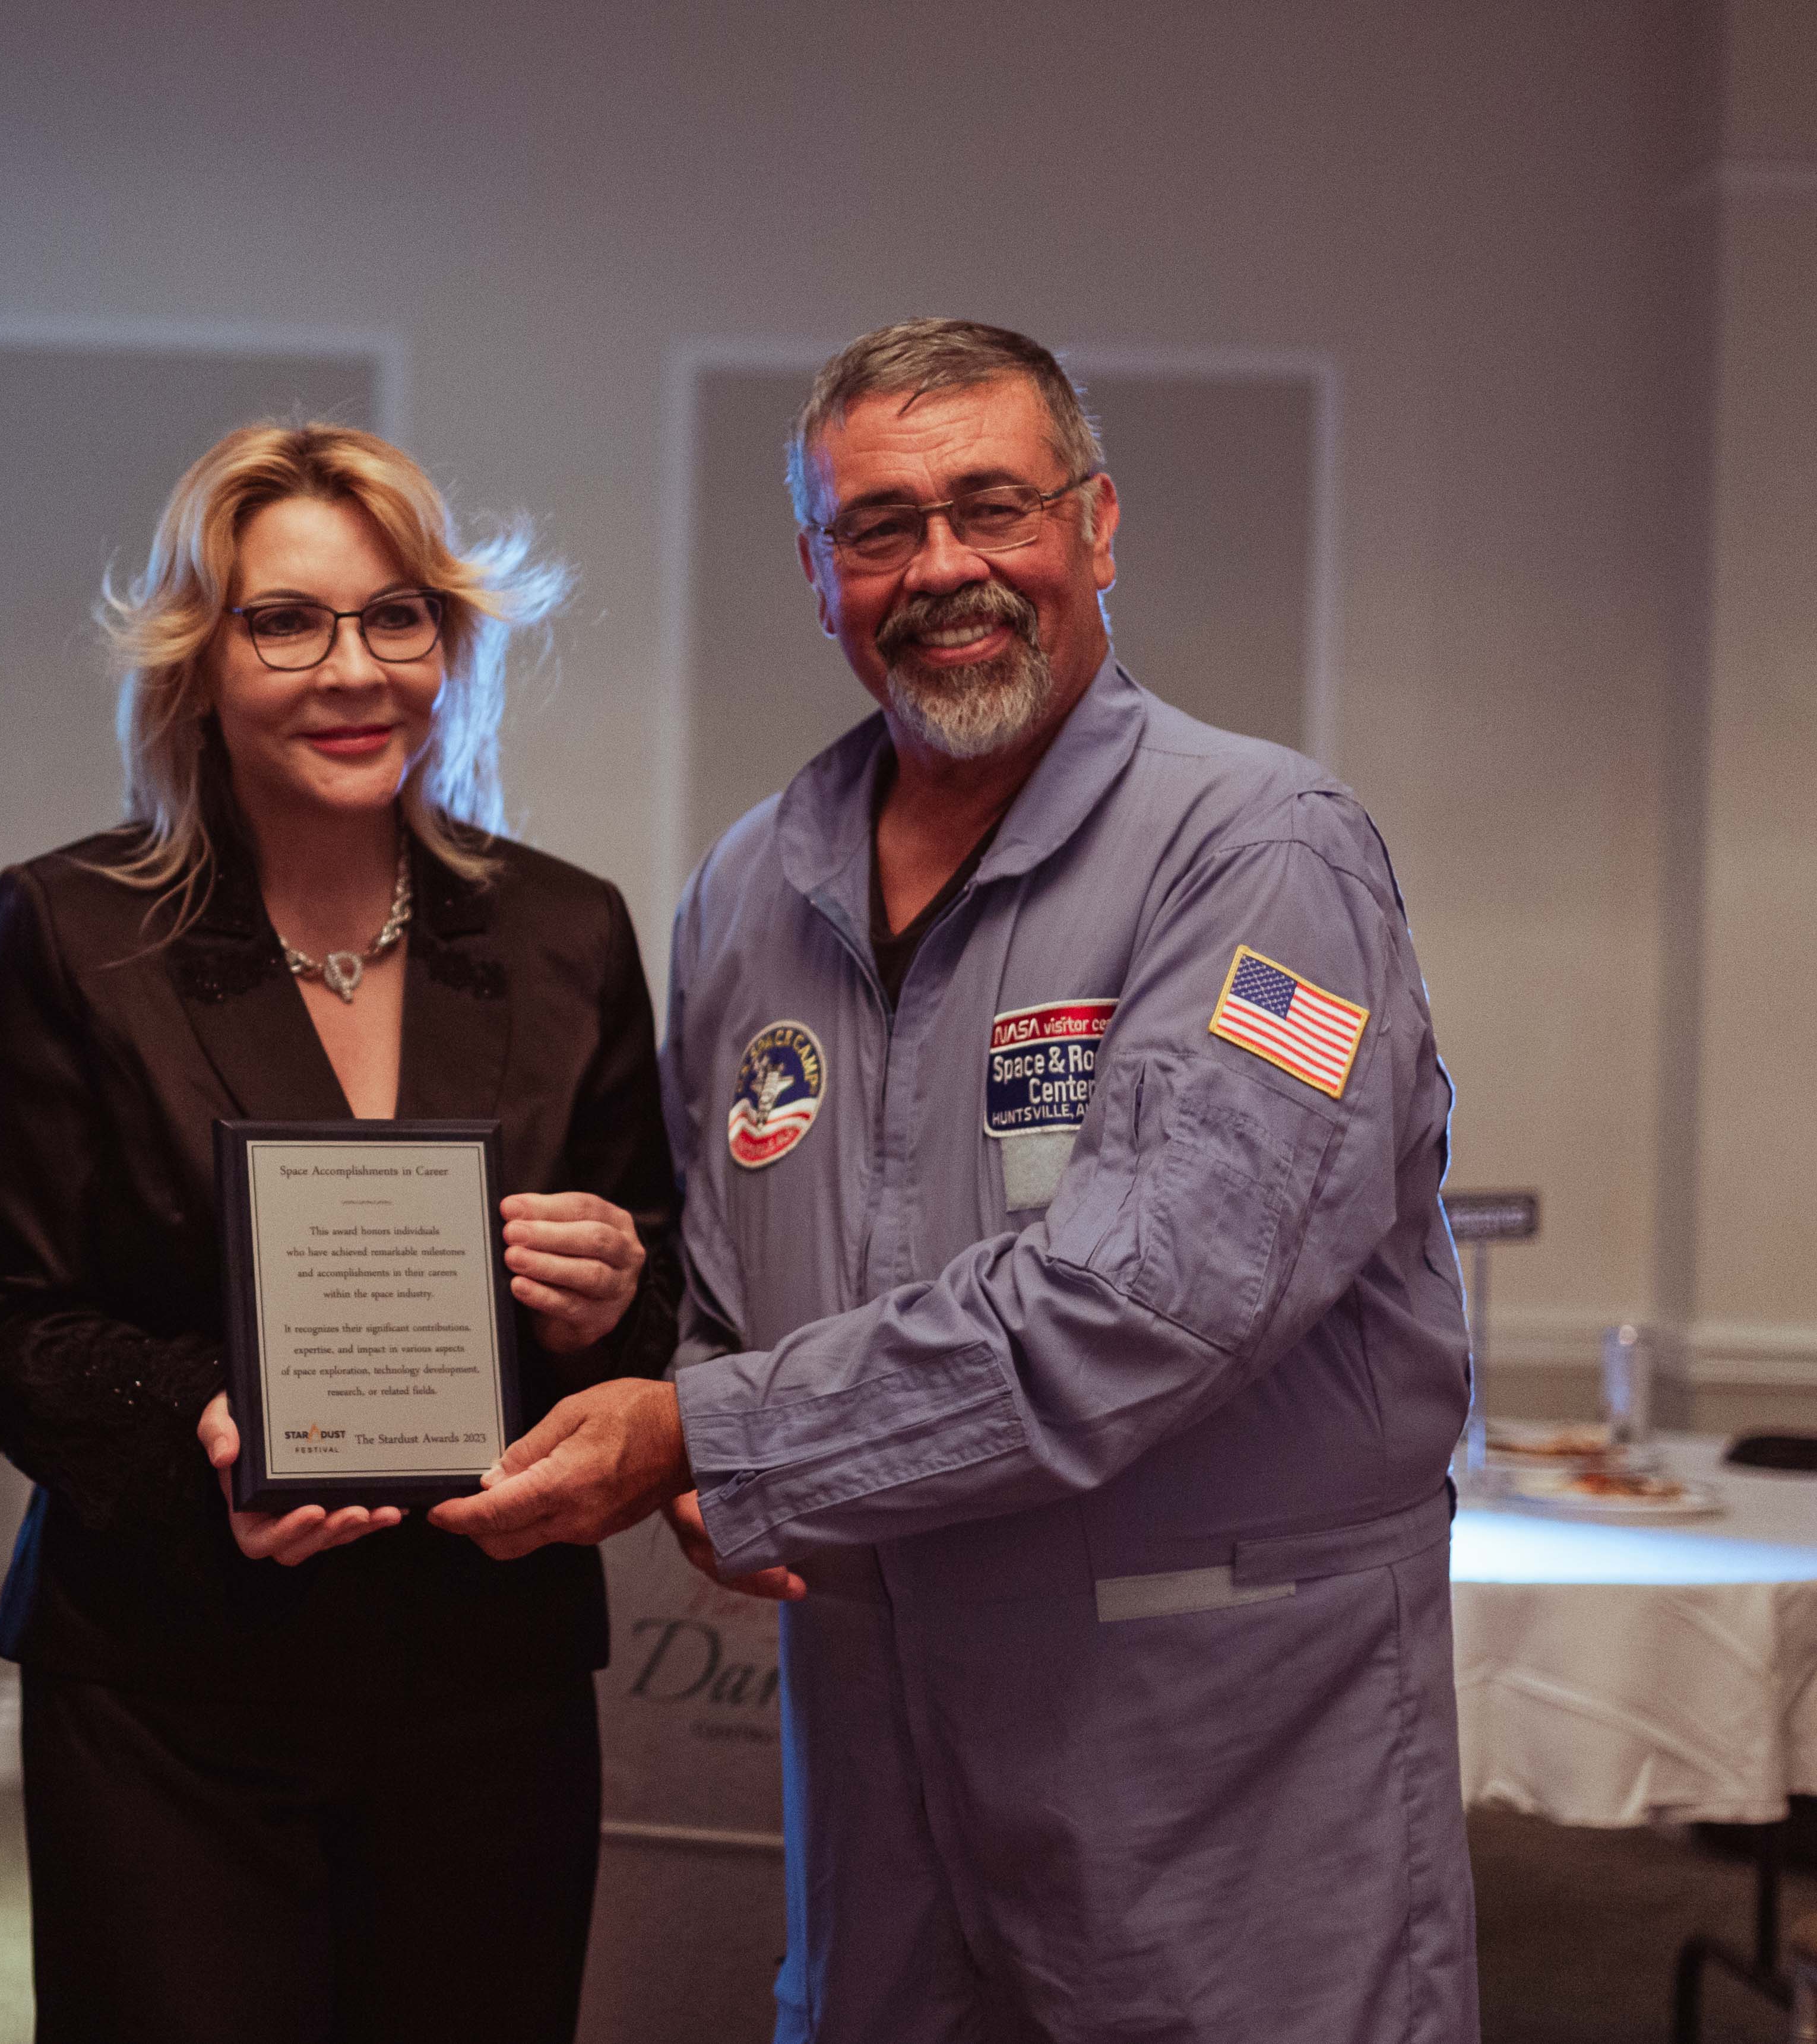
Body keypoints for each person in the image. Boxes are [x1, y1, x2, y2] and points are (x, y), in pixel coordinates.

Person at [432, 319, 1479, 2042]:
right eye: (878, 525)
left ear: (1096, 524)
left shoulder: (1262, 857)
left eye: (992, 505)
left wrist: (714, 1436)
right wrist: (663, 1357)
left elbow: (1144, 1302)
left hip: (1214, 1784)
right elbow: (732, 1278)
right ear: (814, 569)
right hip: (883, 1772)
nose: (942, 568)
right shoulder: (749, 889)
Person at [0, 422, 679, 2043]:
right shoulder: (75, 929)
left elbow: (654, 1303)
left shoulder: (567, 932)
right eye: (283, 620)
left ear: (449, 643)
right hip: (173, 1693)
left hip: (485, 1688)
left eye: (395, 617)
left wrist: (604, 1303)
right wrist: (203, 1433)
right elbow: (14, 1320)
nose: (350, 668)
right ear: (196, 660)